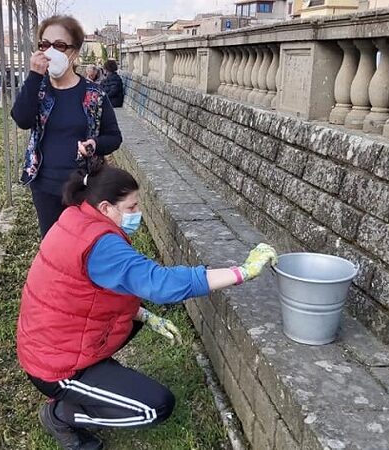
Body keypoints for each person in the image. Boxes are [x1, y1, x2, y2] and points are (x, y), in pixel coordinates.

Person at [16, 160, 278, 450]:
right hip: (56, 367)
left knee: (132, 320)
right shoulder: (99, 245)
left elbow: (84, 293)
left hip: (50, 342)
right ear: (106, 208)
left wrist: (141, 314)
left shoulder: (77, 219)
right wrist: (242, 272)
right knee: (155, 407)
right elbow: (161, 284)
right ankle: (60, 413)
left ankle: (93, 379)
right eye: (131, 208)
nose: (137, 214)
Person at [11, 15, 122, 238]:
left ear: (74, 51)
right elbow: (22, 119)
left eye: (59, 45)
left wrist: (94, 144)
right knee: (53, 246)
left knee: (84, 247)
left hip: (84, 187)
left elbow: (114, 137)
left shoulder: (95, 94)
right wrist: (34, 76)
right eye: (45, 45)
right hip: (45, 186)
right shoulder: (38, 89)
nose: (50, 52)